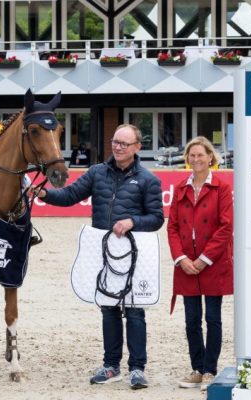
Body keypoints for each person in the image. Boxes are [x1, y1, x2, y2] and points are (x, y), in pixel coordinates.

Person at [33, 124, 163, 390]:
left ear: (137, 147)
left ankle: (137, 369)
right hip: (105, 252)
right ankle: (111, 365)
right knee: (108, 309)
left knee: (136, 312)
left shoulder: (149, 180)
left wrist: (132, 221)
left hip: (135, 254)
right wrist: (45, 194)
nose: (117, 147)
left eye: (124, 144)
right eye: (115, 141)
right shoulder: (97, 173)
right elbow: (70, 195)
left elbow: (157, 219)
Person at [166, 136, 233, 392]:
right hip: (186, 264)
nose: (196, 160)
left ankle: (210, 369)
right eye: (191, 156)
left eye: (200, 155)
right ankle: (196, 368)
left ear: (210, 158)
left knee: (213, 318)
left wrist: (204, 259)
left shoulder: (222, 187)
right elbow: (172, 226)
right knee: (191, 320)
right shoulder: (180, 188)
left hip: (212, 262)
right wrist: (181, 258)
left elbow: (226, 226)